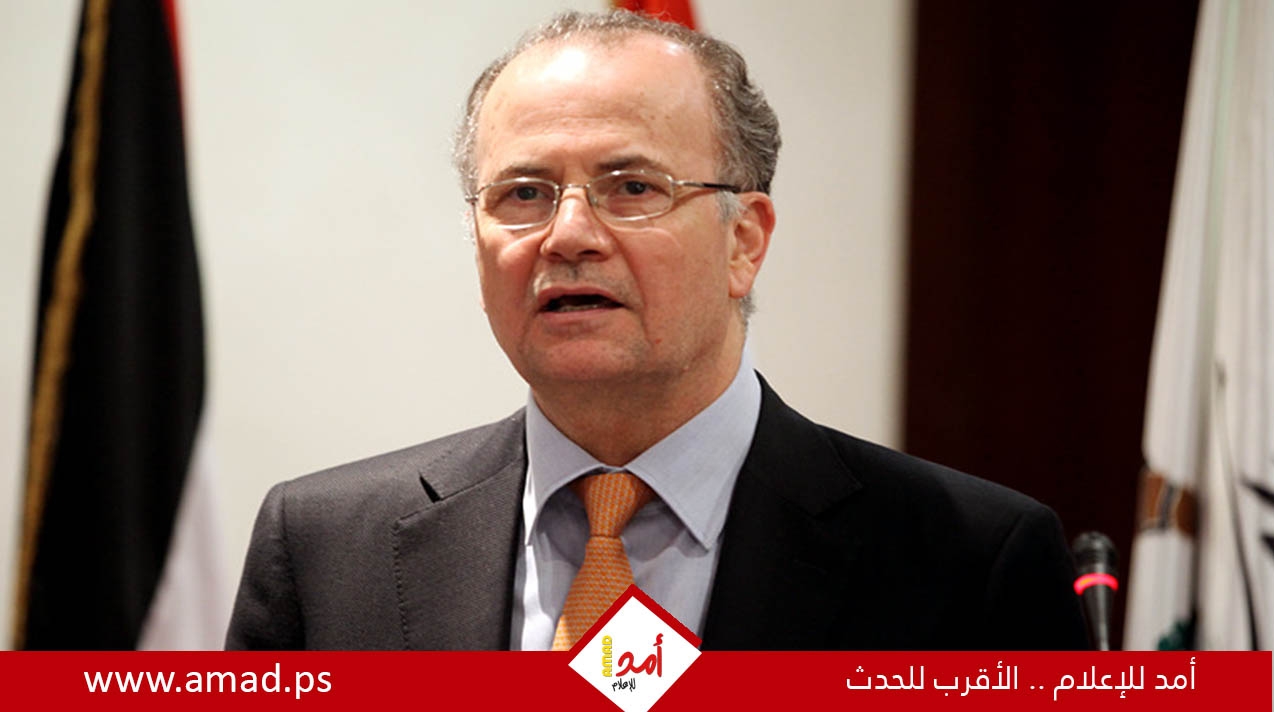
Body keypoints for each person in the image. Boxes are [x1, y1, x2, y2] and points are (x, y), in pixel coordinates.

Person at [226, 10, 1089, 651]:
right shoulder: (326, 546)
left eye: (632, 187)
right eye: (523, 194)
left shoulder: (969, 560)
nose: (567, 235)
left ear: (743, 242)